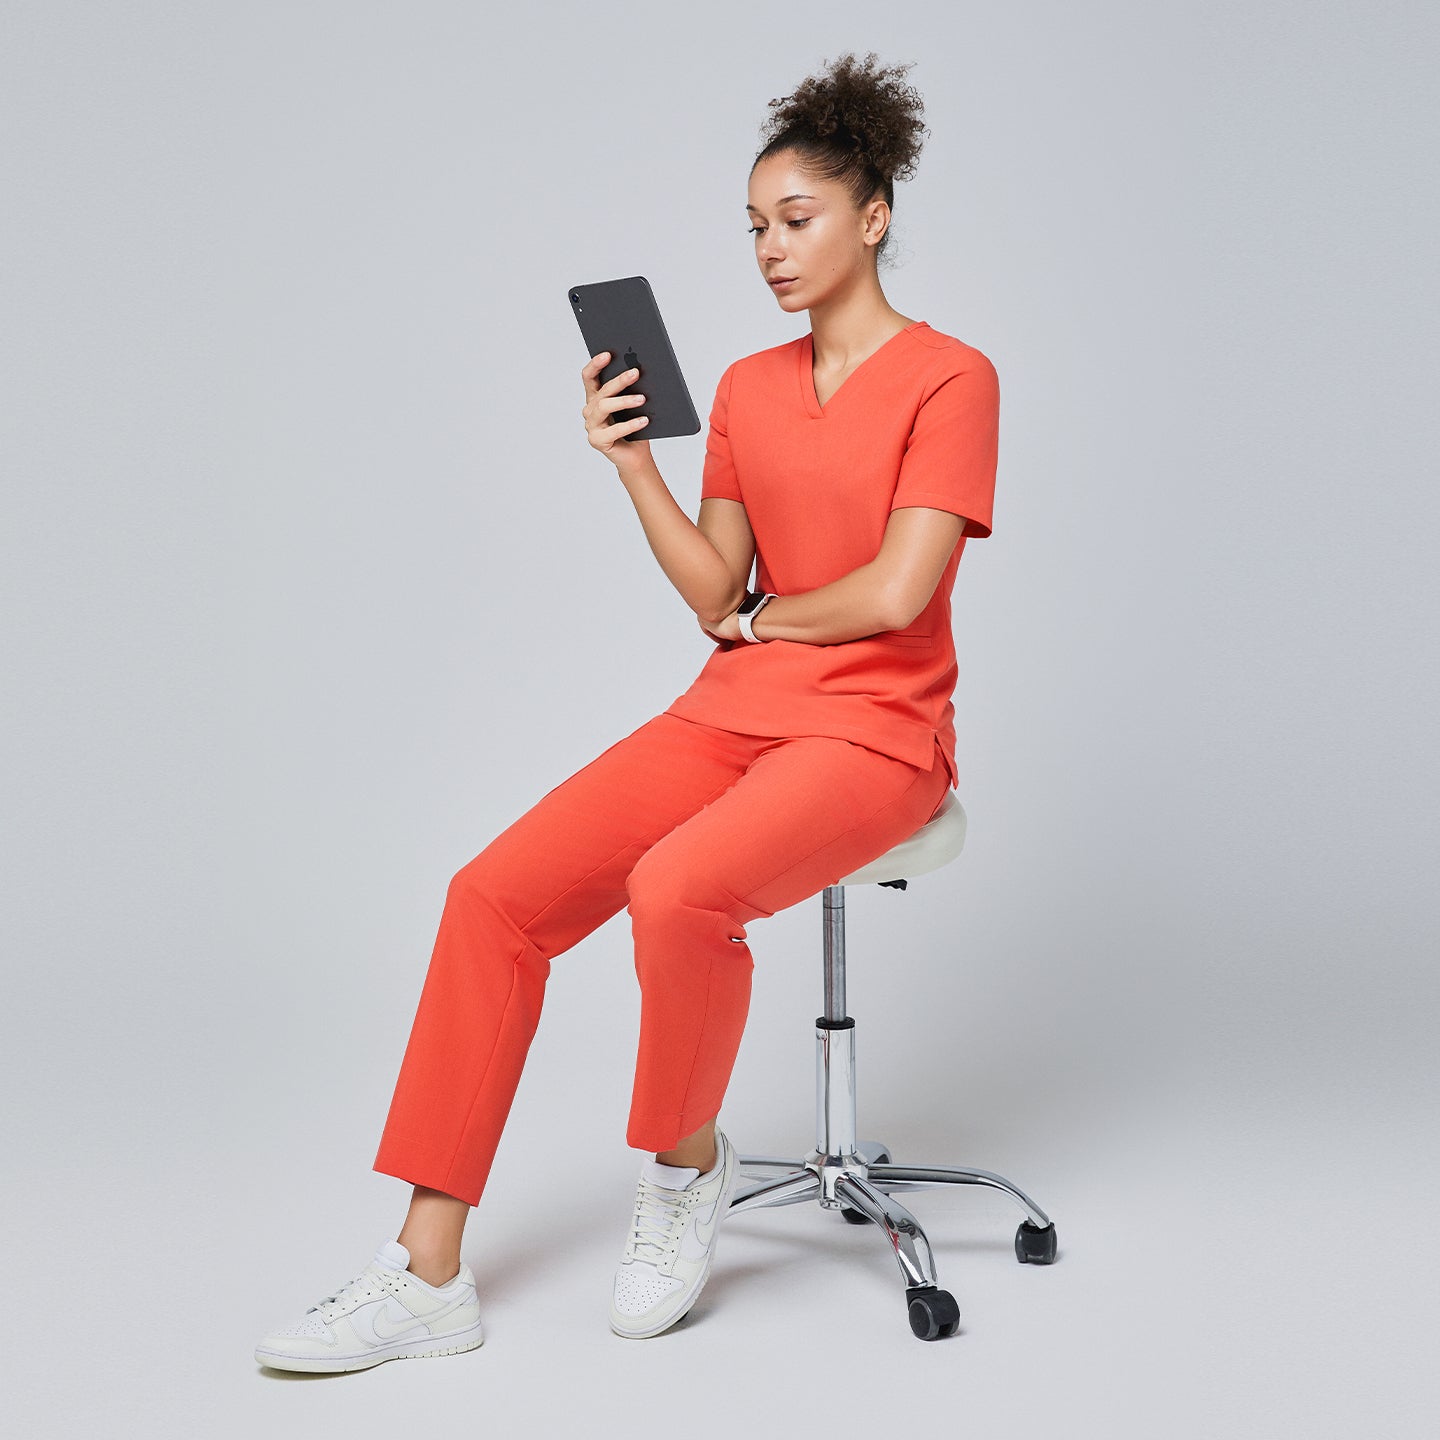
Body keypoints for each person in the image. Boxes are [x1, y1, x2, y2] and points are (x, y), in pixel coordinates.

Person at [254, 49, 999, 1372]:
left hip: (877, 736)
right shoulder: (752, 390)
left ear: (874, 214)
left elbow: (896, 592)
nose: (770, 249)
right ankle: (426, 1270)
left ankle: (686, 1166)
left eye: (798, 218)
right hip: (733, 710)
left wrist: (771, 618)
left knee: (677, 889)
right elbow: (717, 591)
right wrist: (631, 463)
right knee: (493, 895)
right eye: (756, 227)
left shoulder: (953, 378)